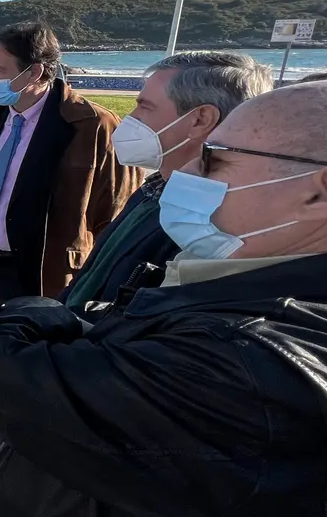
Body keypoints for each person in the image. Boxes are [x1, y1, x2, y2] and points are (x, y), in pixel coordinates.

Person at [0, 79, 327, 517]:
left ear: (325, 190)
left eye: (216, 160)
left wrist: (41, 314)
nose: (186, 171)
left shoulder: (249, 366)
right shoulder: (254, 291)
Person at [0, 21, 140, 458]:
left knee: (34, 370)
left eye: (1, 70)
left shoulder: (91, 125)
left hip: (42, 272)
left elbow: (114, 210)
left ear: (38, 71)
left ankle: (25, 454)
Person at [60, 51, 272, 319]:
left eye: (145, 107)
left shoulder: (207, 222)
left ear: (200, 119)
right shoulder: (157, 188)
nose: (130, 119)